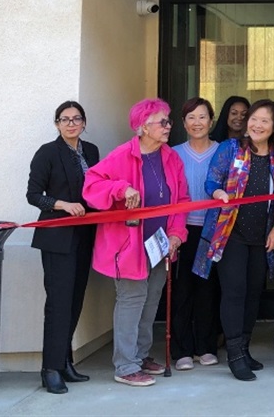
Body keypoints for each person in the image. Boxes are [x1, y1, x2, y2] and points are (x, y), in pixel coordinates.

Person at [83, 98, 188, 387]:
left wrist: (177, 233)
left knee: (151, 300)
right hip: (128, 246)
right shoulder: (122, 155)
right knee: (131, 301)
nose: (168, 126)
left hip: (160, 245)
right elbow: (91, 185)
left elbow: (181, 200)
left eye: (168, 121)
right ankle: (125, 366)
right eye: (162, 122)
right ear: (142, 127)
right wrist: (121, 188)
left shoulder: (171, 158)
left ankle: (140, 356)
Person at [200, 100, 274, 381]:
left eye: (264, 121)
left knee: (253, 293)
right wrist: (218, 194)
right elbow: (211, 182)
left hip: (261, 237)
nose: (257, 125)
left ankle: (245, 348)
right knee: (234, 292)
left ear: (273, 127)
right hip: (231, 234)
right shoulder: (231, 148)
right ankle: (234, 354)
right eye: (254, 119)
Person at [26, 101, 100, 394]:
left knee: (75, 301)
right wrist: (62, 205)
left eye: (76, 118)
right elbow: (33, 195)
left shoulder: (91, 151)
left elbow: (97, 188)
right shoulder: (47, 152)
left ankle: (65, 361)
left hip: (85, 235)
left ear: (84, 123)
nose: (71, 124)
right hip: (57, 239)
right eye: (64, 119)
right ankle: (50, 369)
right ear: (57, 124)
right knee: (58, 303)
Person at [171, 98, 222, 372]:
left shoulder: (223, 152)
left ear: (211, 121)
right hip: (182, 230)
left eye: (202, 117)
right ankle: (182, 350)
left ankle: (206, 346)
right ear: (183, 123)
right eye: (191, 117)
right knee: (182, 290)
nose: (197, 122)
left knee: (208, 290)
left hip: (213, 230)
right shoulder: (172, 153)